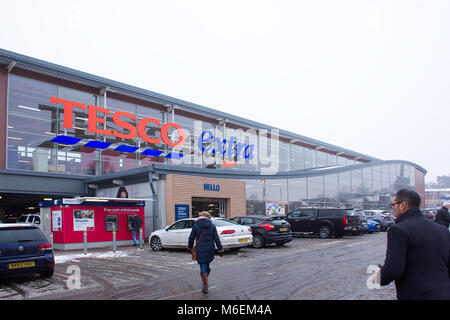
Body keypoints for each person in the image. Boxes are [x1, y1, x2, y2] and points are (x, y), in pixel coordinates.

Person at [378, 189, 450, 300]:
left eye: (394, 205)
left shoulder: (398, 230)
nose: (393, 210)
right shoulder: (442, 230)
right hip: (444, 293)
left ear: (403, 205)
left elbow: (394, 269)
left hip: (415, 294)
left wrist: (377, 277)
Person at [188, 211, 224, 294]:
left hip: (200, 249)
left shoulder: (196, 226)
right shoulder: (212, 226)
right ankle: (205, 281)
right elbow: (216, 239)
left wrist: (189, 247)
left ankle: (205, 285)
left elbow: (191, 238)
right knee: (206, 263)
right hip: (210, 248)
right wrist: (220, 249)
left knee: (203, 264)